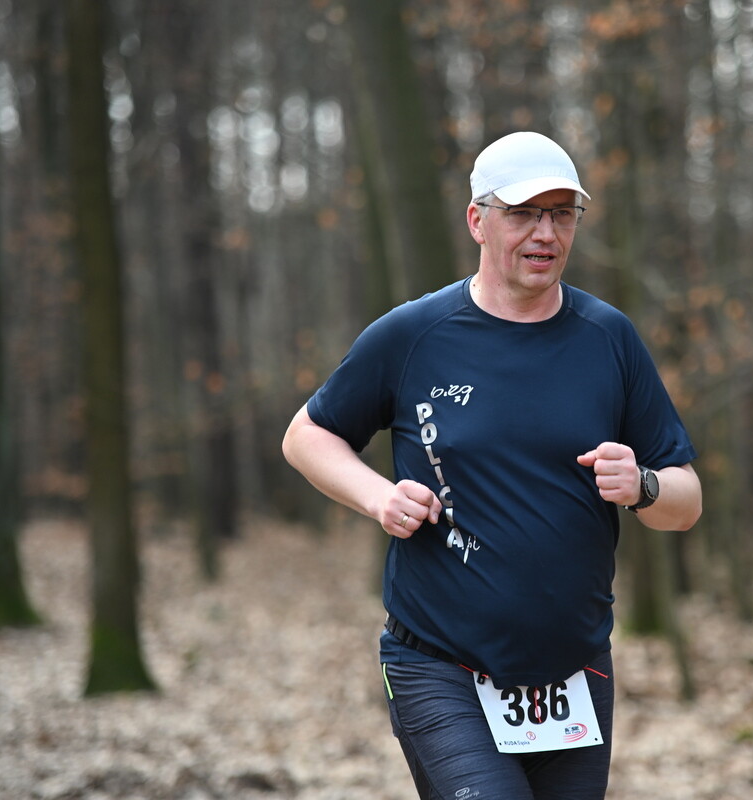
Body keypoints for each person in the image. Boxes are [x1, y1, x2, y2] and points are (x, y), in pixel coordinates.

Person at [281, 130, 702, 799]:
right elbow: (307, 436)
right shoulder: (413, 336)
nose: (546, 233)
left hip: (575, 671)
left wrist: (645, 485)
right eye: (524, 213)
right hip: (438, 663)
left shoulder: (608, 339)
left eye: (562, 214)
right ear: (478, 220)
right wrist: (377, 497)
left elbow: (687, 500)